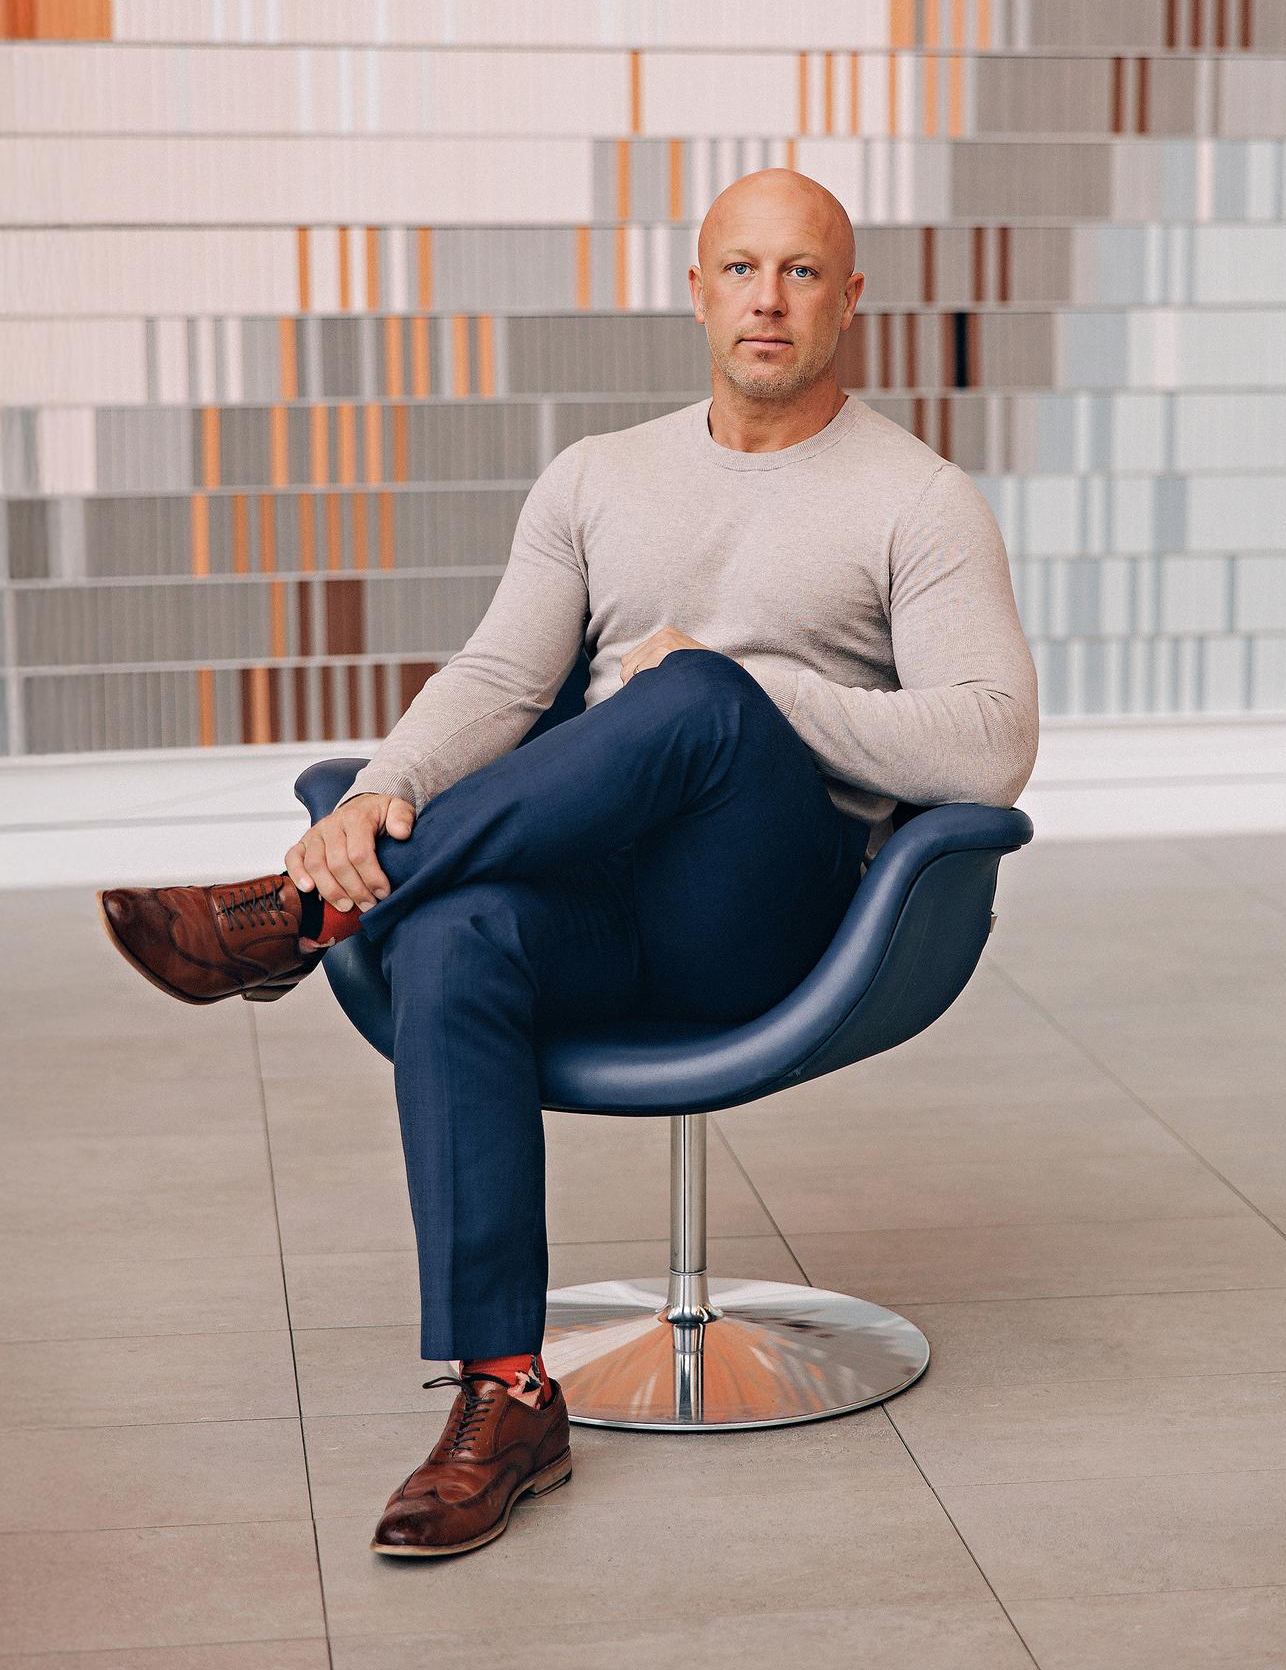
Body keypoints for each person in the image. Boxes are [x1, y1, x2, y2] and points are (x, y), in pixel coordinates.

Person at [98, 167, 1040, 1559]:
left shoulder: (918, 498)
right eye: (738, 269)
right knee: (447, 938)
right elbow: (496, 680)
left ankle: (282, 921)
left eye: (798, 273)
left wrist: (749, 681)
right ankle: (504, 1396)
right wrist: (374, 798)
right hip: (594, 895)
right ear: (695, 289)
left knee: (702, 696)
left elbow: (989, 745)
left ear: (848, 299)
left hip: (769, 917)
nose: (766, 300)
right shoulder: (599, 476)